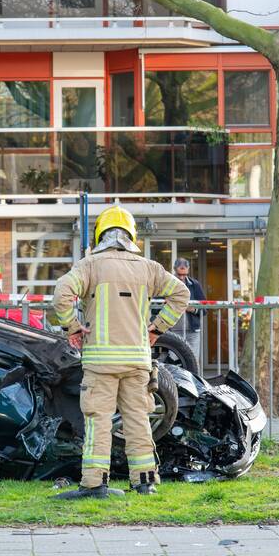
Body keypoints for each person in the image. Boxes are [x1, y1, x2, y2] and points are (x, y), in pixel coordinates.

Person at [51, 205, 189, 499]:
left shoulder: (90, 265)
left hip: (100, 363)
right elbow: (181, 294)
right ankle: (145, 483)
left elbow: (62, 293)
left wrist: (73, 327)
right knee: (138, 420)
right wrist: (156, 329)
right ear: (131, 235)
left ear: (101, 233)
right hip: (137, 361)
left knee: (98, 420)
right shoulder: (148, 268)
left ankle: (94, 484)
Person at [170, 258, 205, 369]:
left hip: (192, 332)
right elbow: (157, 306)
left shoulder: (195, 285)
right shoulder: (168, 283)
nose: (181, 278)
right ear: (175, 270)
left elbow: (204, 308)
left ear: (188, 270)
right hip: (172, 331)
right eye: (179, 275)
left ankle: (194, 384)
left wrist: (193, 309)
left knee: (193, 361)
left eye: (184, 275)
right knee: (173, 362)